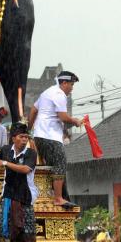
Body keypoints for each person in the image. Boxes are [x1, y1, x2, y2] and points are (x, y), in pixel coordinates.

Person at [28, 70, 83, 208]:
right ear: (64, 83)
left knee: (52, 167)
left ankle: (63, 196)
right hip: (50, 136)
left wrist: (29, 129)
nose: (72, 88)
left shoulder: (47, 92)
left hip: (39, 135)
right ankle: (58, 198)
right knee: (60, 164)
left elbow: (33, 111)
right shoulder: (59, 94)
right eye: (71, 84)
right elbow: (63, 117)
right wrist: (75, 121)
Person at [0, 122, 40, 242]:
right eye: (21, 137)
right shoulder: (5, 150)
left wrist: (5, 163)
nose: (24, 139)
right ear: (13, 138)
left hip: (25, 195)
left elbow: (26, 169)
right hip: (7, 195)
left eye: (26, 137)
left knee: (29, 231)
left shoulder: (31, 153)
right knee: (4, 231)